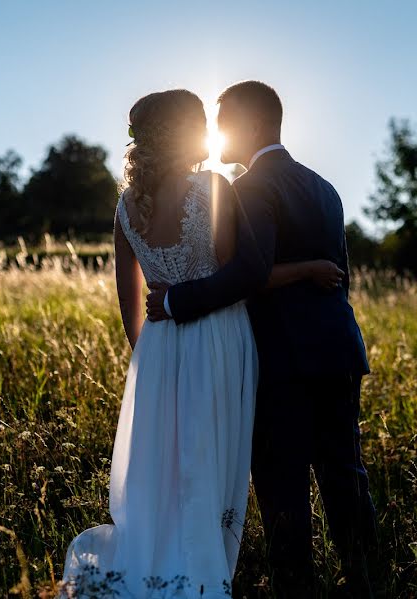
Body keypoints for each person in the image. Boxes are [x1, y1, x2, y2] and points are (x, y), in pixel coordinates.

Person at [60, 88, 345, 598]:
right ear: (187, 133)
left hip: (159, 350)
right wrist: (305, 269)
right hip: (218, 338)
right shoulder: (213, 186)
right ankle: (203, 574)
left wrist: (153, 359)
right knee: (213, 464)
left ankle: (162, 570)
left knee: (167, 469)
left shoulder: (126, 209)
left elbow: (130, 307)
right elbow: (245, 272)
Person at [146, 81, 379, 598]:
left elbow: (249, 272)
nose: (215, 132)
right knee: (346, 477)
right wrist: (308, 272)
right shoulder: (323, 186)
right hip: (337, 349)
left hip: (282, 362)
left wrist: (174, 301)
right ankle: (368, 580)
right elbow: (340, 274)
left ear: (251, 125)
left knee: (282, 490)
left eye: (223, 119)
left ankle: (296, 589)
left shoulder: (250, 187)